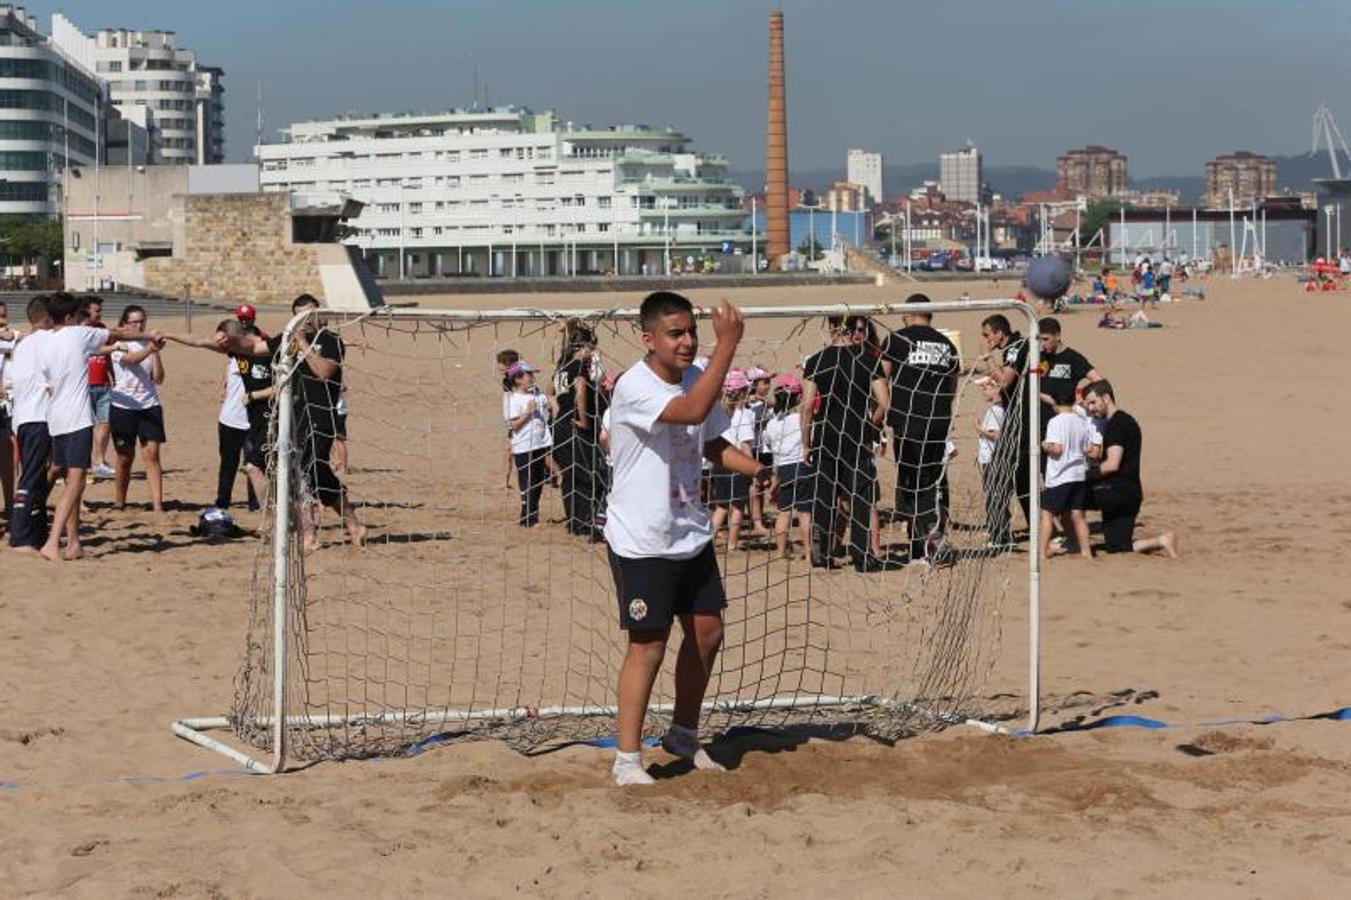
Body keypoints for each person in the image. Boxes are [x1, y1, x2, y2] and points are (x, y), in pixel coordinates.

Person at [604, 291, 766, 786]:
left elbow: (710, 440)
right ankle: (627, 760)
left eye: (692, 332)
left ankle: (682, 733)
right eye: (676, 334)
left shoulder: (697, 375)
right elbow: (692, 413)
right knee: (648, 645)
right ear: (648, 339)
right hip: (642, 539)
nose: (687, 341)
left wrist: (756, 469)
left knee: (708, 631)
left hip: (689, 532)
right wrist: (727, 345)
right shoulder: (634, 386)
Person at [188, 294, 366, 549]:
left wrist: (303, 342)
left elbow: (324, 372)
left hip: (321, 417)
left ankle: (313, 533)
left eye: (309, 314)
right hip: (292, 417)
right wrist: (231, 341)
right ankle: (345, 525)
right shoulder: (287, 340)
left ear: (321, 315)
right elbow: (253, 348)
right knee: (308, 473)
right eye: (299, 316)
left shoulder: (331, 341)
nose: (305, 320)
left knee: (308, 471)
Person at [38, 293, 145, 561]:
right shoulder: (78, 334)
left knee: (71, 481)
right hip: (76, 419)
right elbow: (116, 333)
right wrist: (147, 335)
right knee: (75, 484)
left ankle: (73, 542)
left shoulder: (46, 341)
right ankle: (53, 542)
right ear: (69, 317)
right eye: (77, 315)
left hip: (56, 418)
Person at [801, 315, 889, 571]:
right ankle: (862, 557)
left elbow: (807, 407)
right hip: (856, 435)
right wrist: (871, 424)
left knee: (825, 498)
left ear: (831, 328)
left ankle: (820, 552)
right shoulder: (868, 359)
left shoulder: (817, 360)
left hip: (826, 435)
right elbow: (884, 402)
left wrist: (806, 442)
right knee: (860, 497)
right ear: (852, 329)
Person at [880, 294, 959, 566]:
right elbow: (952, 387)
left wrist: (881, 415)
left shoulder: (897, 339)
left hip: (908, 422)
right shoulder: (947, 343)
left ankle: (928, 545)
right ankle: (922, 546)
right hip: (938, 421)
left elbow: (881, 377)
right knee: (933, 482)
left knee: (913, 484)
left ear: (909, 312)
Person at [1082, 381, 1179, 557]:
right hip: (1131, 494)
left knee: (1067, 494)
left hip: (1114, 492)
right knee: (1117, 546)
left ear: (1106, 398)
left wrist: (1085, 475)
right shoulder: (1127, 421)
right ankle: (1163, 540)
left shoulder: (1116, 425)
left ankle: (1071, 543)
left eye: (1092, 402)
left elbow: (1112, 464)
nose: (1090, 408)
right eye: (1087, 404)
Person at [977, 314, 1031, 547]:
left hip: (1020, 419)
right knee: (1022, 477)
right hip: (1022, 414)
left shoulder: (1015, 346)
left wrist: (988, 358)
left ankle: (1000, 535)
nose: (986, 339)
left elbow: (1006, 380)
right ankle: (1038, 526)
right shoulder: (1016, 346)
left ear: (1000, 332)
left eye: (987, 334)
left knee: (998, 475)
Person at [108, 305, 168, 513]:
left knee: (151, 454)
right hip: (123, 406)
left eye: (141, 321)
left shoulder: (148, 344)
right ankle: (119, 500)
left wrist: (156, 353)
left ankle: (158, 505)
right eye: (134, 321)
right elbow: (131, 360)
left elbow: (159, 378)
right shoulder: (118, 344)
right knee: (124, 457)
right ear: (125, 324)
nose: (139, 325)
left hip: (149, 404)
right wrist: (150, 349)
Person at [6, 297, 53, 553]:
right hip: (37, 418)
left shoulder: (22, 345)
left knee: (36, 477)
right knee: (31, 477)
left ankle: (35, 531)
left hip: (22, 419)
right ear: (46, 319)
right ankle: (21, 537)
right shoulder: (45, 340)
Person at [1039, 384, 1099, 562]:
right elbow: (1088, 448)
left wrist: (1044, 445)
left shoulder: (1055, 421)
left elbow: (1057, 449)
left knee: (1047, 514)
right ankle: (1086, 552)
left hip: (1060, 475)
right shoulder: (1081, 421)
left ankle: (1041, 553)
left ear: (1056, 402)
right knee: (1077, 514)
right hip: (1078, 474)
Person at [552, 321, 601, 539]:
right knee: (587, 473)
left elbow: (548, 391)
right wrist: (583, 420)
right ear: (583, 347)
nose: (593, 352)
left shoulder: (561, 368)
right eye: (591, 347)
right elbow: (581, 390)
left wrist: (557, 408)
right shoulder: (580, 367)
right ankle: (585, 522)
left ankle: (573, 520)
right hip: (574, 426)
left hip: (560, 425)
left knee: (569, 474)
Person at [761, 374, 812, 560]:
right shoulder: (802, 419)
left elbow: (768, 448)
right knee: (805, 513)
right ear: (799, 397)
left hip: (782, 470)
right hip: (803, 466)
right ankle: (808, 552)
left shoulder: (771, 424)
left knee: (783, 513)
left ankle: (781, 552)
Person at [213, 319, 259, 512]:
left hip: (252, 421)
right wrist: (224, 383)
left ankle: (255, 503)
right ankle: (223, 501)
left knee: (254, 465)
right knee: (228, 464)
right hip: (230, 420)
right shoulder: (232, 357)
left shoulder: (257, 354)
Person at [502, 360, 553, 527]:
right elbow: (513, 425)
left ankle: (532, 516)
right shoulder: (511, 398)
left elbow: (549, 398)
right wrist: (526, 413)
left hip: (540, 443)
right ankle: (528, 518)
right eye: (528, 374)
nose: (532, 377)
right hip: (523, 446)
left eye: (532, 374)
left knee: (538, 481)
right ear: (517, 379)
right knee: (527, 482)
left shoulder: (536, 393)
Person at [708, 369, 754, 551]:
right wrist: (751, 469)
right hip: (737, 464)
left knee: (722, 505)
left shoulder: (718, 412)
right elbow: (745, 446)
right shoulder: (743, 415)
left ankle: (709, 539)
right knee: (738, 506)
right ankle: (732, 545)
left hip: (719, 463)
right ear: (742, 393)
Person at [78, 296, 116, 480]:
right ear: (86, 311)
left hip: (103, 383)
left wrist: (112, 376)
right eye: (96, 310)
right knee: (84, 427)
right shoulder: (77, 332)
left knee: (106, 421)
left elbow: (107, 357)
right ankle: (77, 467)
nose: (100, 313)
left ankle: (99, 461)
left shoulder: (102, 330)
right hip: (83, 385)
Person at [0, 301, 15, 515]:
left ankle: (11, 504)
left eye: (4, 316)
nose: (2, 321)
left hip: (5, 406)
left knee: (7, 454)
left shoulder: (7, 341)